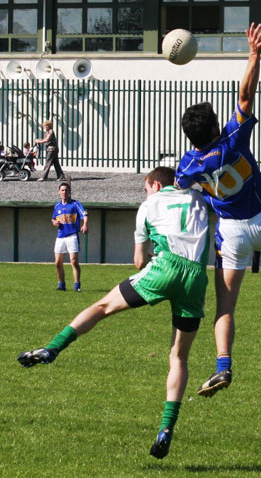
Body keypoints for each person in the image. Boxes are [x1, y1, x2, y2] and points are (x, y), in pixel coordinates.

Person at [17, 167, 210, 460]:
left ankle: (52, 348)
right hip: (196, 277)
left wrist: (148, 256)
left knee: (102, 307)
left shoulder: (149, 205)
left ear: (155, 185)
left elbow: (137, 261)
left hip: (165, 267)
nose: (145, 193)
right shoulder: (199, 197)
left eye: (146, 187)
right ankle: (166, 428)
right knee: (179, 357)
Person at [175, 22, 261, 398]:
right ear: (215, 126)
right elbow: (246, 94)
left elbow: (179, 186)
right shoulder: (232, 139)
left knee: (225, 306)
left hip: (233, 236)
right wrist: (254, 53)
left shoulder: (188, 164)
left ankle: (223, 364)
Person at [52, 182, 88, 292]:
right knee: (58, 263)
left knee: (73, 261)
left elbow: (85, 214)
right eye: (62, 190)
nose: (64, 192)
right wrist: (54, 222)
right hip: (60, 237)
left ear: (69, 192)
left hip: (72, 236)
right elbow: (54, 218)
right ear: (59, 192)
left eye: (66, 190)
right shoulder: (57, 206)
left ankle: (77, 285)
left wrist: (85, 224)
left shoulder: (75, 204)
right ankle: (61, 285)